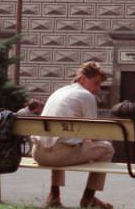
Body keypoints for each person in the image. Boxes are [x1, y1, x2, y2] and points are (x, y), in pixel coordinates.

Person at [31, 62, 114, 209]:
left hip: (38, 153)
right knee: (107, 148)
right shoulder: (86, 96)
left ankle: (54, 196)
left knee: (59, 139)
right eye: (96, 83)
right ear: (82, 79)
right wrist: (88, 142)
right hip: (59, 156)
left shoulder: (59, 91)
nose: (98, 89)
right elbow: (93, 132)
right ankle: (88, 198)